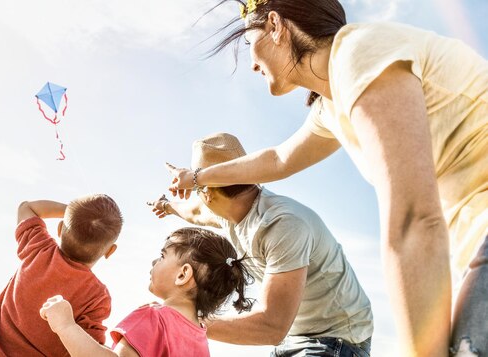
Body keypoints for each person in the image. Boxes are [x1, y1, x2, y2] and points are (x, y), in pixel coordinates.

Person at [165, 1, 488, 356]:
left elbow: (414, 222)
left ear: (275, 25)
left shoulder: (358, 54)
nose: (252, 64)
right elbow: (277, 159)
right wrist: (197, 177)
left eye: (249, 44)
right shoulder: (333, 102)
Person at [151, 132, 373, 356]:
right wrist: (167, 205)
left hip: (338, 339)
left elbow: (272, 326)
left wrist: (189, 320)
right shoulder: (227, 211)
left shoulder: (281, 225)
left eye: (199, 190)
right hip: (294, 335)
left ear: (208, 194)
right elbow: (192, 212)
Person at [39, 227, 253, 357]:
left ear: (182, 275)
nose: (154, 261)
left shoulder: (153, 317)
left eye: (162, 256)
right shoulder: (199, 338)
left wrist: (65, 325)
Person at [0, 195, 123, 357]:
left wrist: (72, 213)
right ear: (110, 251)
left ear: (60, 228)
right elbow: (85, 348)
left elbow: (26, 208)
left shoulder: (39, 249)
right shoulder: (97, 296)